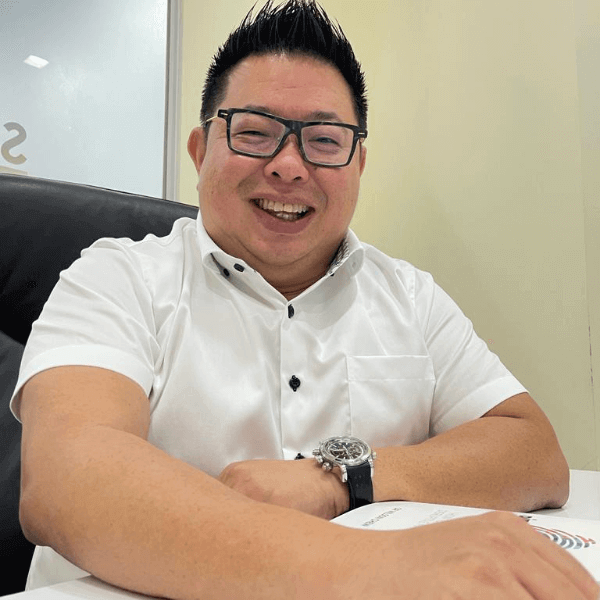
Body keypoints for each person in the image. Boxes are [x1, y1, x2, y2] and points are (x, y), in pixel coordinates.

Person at [12, 1, 598, 599]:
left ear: (359, 162)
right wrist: (373, 566)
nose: (289, 166)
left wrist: (342, 481)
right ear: (199, 150)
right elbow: (69, 477)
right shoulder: (116, 277)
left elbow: (531, 450)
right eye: (255, 132)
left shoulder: (410, 296)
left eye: (323, 140)